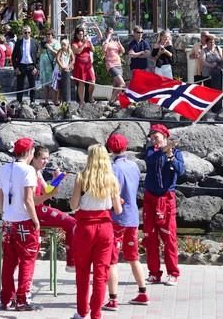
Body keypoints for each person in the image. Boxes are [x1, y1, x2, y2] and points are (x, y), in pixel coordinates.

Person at [70, 144, 122, 319]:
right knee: (101, 273)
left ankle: (82, 312)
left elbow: (73, 205)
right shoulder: (112, 179)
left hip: (85, 227)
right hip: (105, 228)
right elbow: (118, 210)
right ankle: (96, 314)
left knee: (82, 273)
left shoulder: (81, 177)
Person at [103, 134, 149, 312]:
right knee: (133, 256)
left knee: (112, 260)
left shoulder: (111, 169)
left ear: (110, 149)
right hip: (132, 216)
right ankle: (142, 291)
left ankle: (113, 299)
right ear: (125, 148)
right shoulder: (134, 166)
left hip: (116, 217)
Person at [0, 137, 40, 312]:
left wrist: (5, 212)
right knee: (27, 261)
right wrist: (35, 220)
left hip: (8, 221)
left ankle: (7, 298)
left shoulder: (4, 168)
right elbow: (29, 200)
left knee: (9, 262)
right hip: (24, 222)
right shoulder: (29, 171)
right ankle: (22, 299)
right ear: (29, 152)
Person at [143, 124, 185, 286]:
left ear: (165, 137)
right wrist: (162, 150)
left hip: (167, 197)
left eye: (157, 137)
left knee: (169, 237)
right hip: (150, 197)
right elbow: (151, 160)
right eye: (152, 138)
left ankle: (173, 273)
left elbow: (181, 172)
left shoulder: (177, 153)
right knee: (150, 236)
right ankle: (154, 272)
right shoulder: (150, 151)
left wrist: (171, 156)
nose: (154, 140)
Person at [31, 146, 77, 271]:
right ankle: (71, 262)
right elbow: (34, 200)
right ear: (33, 158)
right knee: (72, 223)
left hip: (40, 209)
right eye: (43, 158)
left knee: (72, 222)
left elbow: (48, 190)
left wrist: (57, 179)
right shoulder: (31, 174)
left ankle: (72, 262)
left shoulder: (38, 173)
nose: (46, 161)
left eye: (47, 159)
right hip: (35, 211)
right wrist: (49, 194)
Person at [12, 25, 40, 104]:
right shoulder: (18, 43)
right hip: (21, 66)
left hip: (31, 66)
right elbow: (13, 57)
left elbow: (38, 57)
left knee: (32, 85)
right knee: (20, 85)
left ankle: (32, 101)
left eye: (29, 32)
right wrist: (16, 68)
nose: (27, 34)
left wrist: (36, 68)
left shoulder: (35, 43)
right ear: (22, 33)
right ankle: (19, 101)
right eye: (25, 32)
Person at [71, 28, 96, 107]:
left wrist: (90, 43)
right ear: (77, 35)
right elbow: (77, 51)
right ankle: (81, 101)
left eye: (82, 34)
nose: (81, 36)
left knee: (92, 81)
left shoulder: (86, 41)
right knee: (81, 83)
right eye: (80, 34)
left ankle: (90, 97)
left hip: (88, 64)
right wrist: (84, 44)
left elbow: (93, 50)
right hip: (80, 65)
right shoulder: (74, 43)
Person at [102, 28, 126, 106]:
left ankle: (114, 100)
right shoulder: (105, 41)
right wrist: (108, 38)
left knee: (116, 84)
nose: (111, 34)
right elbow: (103, 49)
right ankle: (112, 100)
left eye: (112, 33)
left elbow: (123, 51)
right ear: (106, 33)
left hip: (118, 64)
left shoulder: (115, 42)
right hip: (111, 64)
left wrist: (119, 43)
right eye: (109, 33)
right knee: (122, 83)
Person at [39, 31, 61, 105]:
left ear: (52, 35)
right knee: (45, 85)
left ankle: (55, 100)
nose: (47, 36)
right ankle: (46, 101)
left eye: (49, 34)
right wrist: (41, 49)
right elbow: (39, 54)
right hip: (44, 68)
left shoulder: (56, 43)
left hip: (53, 67)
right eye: (46, 34)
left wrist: (49, 47)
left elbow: (58, 54)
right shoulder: (43, 43)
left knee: (54, 84)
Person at [56, 39, 75, 103]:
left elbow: (73, 60)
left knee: (66, 85)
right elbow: (57, 59)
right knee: (59, 85)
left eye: (64, 45)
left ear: (67, 45)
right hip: (60, 70)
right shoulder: (60, 51)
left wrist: (69, 66)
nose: (63, 46)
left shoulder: (70, 51)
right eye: (62, 44)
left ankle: (66, 101)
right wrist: (62, 66)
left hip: (66, 70)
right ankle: (58, 99)